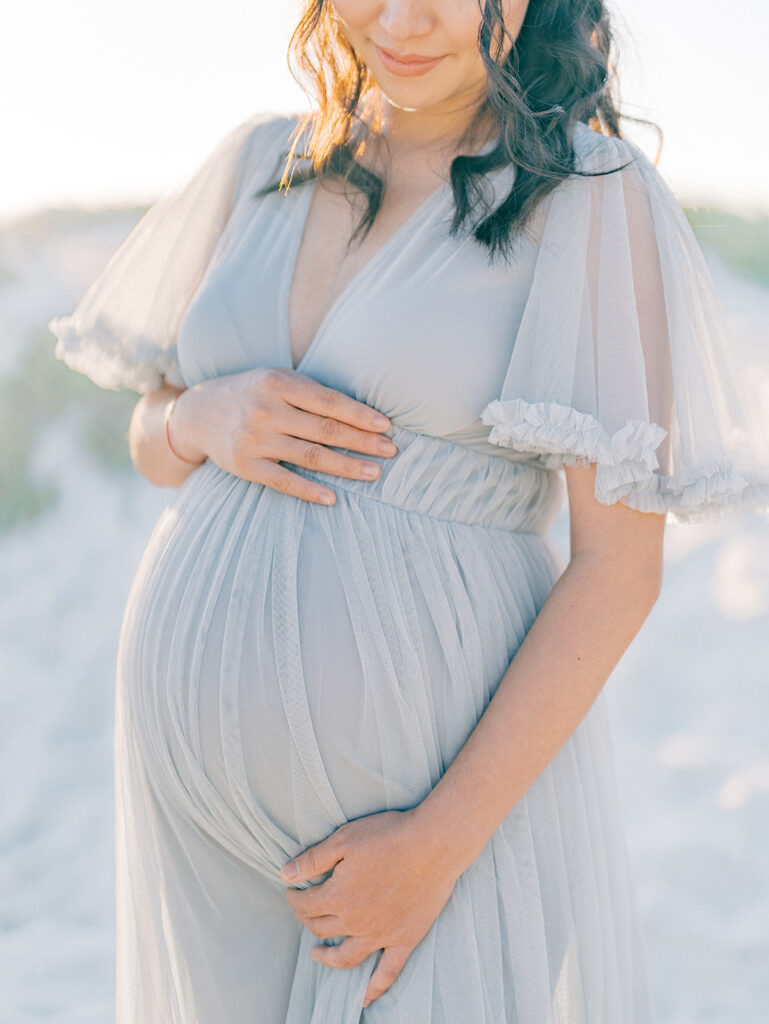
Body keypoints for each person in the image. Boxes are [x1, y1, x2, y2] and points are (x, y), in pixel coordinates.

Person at [48, 1, 769, 1021]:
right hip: (194, 823)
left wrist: (438, 844)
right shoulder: (261, 163)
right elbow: (154, 444)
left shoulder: (585, 194)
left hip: (431, 817)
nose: (402, 17)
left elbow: (616, 568)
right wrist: (199, 414)